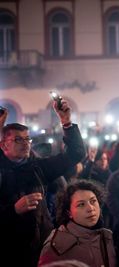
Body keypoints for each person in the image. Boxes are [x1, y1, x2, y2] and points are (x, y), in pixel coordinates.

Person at [0, 98, 85, 267]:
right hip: (8, 251)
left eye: (27, 139)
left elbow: (75, 154)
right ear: (3, 145)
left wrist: (66, 122)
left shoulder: (38, 167)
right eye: (18, 140)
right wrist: (14, 210)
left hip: (42, 249)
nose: (25, 143)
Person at [38, 180, 116, 267]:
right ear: (69, 212)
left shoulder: (109, 237)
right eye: (81, 204)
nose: (90, 208)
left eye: (93, 201)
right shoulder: (57, 245)